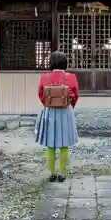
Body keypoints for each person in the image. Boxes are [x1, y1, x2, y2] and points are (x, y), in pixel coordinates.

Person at [36, 51, 79, 182]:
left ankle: (52, 173)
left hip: (50, 111)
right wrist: (71, 106)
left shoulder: (44, 77)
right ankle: (63, 173)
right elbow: (76, 95)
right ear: (65, 63)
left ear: (51, 63)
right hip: (66, 111)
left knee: (51, 144)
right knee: (64, 144)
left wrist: (48, 104)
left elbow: (40, 94)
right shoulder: (71, 77)